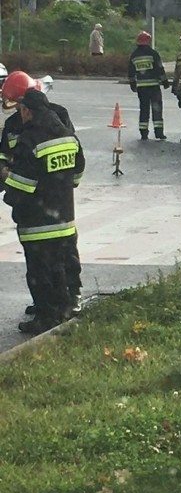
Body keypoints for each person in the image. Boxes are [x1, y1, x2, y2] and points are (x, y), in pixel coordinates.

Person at [0, 70, 85, 318]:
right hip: (55, 206)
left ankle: (65, 302)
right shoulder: (17, 125)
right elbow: (5, 152)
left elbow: (25, 181)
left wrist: (10, 184)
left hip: (38, 209)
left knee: (56, 262)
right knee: (50, 265)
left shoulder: (56, 119)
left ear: (25, 105)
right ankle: (52, 306)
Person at [128, 30, 169, 140]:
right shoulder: (153, 53)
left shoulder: (134, 55)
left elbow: (131, 72)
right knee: (157, 108)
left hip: (141, 87)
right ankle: (159, 132)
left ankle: (143, 132)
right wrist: (165, 82)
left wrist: (132, 84)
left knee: (144, 109)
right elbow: (160, 68)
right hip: (154, 86)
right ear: (147, 41)